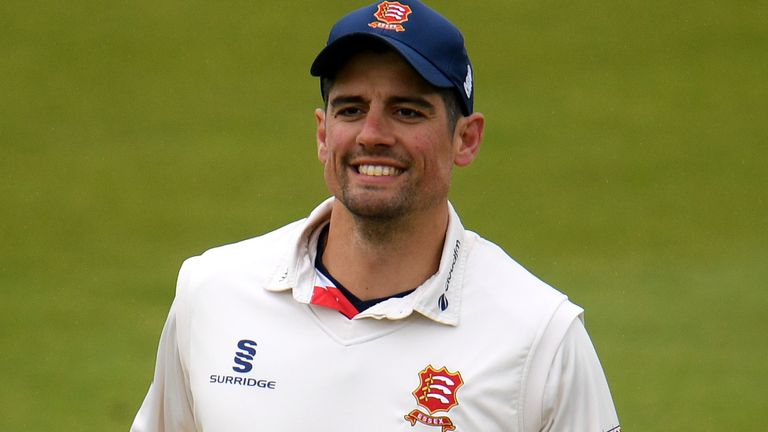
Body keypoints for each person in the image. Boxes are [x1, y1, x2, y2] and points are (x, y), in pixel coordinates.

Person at [131, 1, 621, 431]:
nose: (372, 134)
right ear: (323, 134)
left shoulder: (540, 336)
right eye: (350, 109)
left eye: (407, 112)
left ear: (466, 139)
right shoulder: (213, 292)